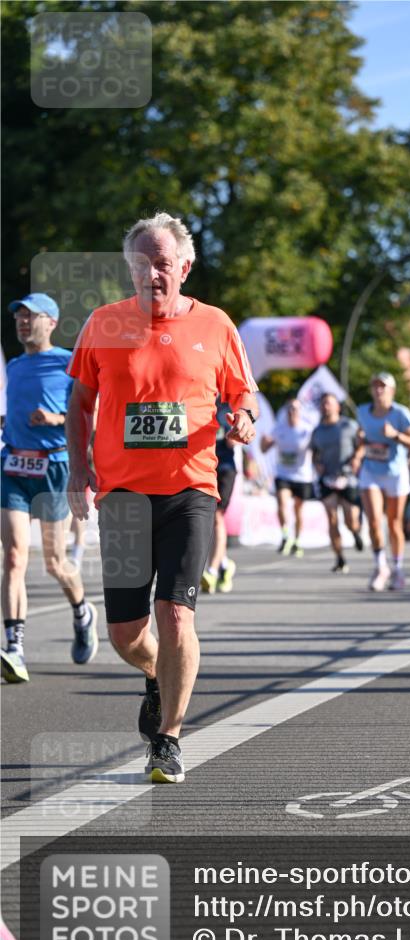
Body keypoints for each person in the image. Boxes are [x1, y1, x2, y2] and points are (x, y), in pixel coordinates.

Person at [66, 212, 258, 783]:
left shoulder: (217, 325)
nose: (152, 273)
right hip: (122, 496)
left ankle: (168, 739)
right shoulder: (103, 324)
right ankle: (156, 674)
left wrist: (243, 418)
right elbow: (79, 404)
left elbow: (242, 392)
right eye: (141, 264)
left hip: (189, 490)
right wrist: (80, 467)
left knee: (175, 613)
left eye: (163, 263)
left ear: (186, 266)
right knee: (126, 635)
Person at [1, 293, 98, 684]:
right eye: (19, 317)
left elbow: (86, 415)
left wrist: (55, 417)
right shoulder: (16, 365)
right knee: (13, 558)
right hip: (13, 467)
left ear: (52, 322)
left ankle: (82, 611)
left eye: (32, 317)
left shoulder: (68, 363)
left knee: (55, 562)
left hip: (54, 468)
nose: (24, 323)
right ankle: (14, 648)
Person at [357, 373, 410, 592]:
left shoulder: (401, 413)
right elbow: (361, 438)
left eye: (383, 386)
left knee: (394, 523)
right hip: (371, 470)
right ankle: (380, 566)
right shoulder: (362, 412)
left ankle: (399, 569)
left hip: (395, 471)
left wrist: (396, 435)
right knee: (374, 521)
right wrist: (360, 441)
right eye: (375, 386)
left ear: (391, 391)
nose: (378, 390)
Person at [310, 393, 364, 574]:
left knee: (350, 519)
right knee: (332, 519)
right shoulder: (317, 431)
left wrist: (357, 457)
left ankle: (355, 532)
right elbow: (314, 453)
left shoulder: (349, 425)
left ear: (337, 407)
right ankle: (340, 558)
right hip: (327, 478)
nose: (326, 407)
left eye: (329, 404)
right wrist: (316, 464)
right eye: (323, 404)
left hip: (347, 477)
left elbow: (362, 445)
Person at [260, 397, 313, 558]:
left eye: (295, 408)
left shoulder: (307, 430)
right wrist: (264, 442)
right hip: (283, 474)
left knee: (298, 510)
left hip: (302, 476)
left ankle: (296, 540)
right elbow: (264, 449)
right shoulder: (279, 429)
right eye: (289, 408)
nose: (292, 411)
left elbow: (317, 449)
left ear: (300, 411)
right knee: (282, 502)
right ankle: (285, 535)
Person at [201, 402, 239, 593]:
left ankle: (213, 570)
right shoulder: (197, 403)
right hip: (202, 468)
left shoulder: (227, 408)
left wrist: (233, 430)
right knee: (207, 520)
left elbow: (235, 440)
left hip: (224, 468)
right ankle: (224, 564)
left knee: (216, 516)